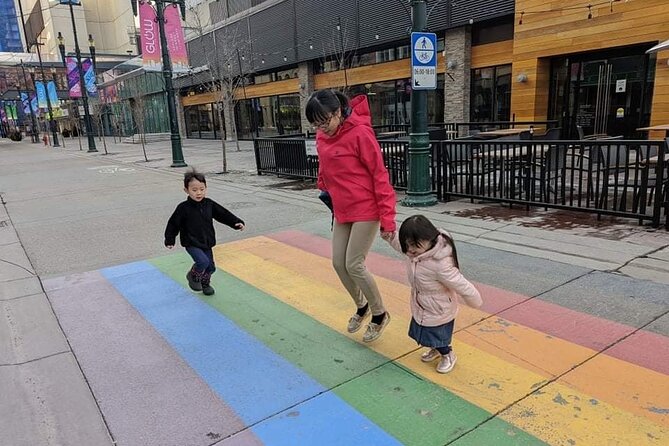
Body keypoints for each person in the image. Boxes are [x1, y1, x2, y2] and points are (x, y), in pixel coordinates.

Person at [305, 89, 397, 343]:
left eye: (325, 122)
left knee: (354, 264)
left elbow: (380, 176)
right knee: (338, 263)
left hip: (367, 207)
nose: (322, 129)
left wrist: (388, 220)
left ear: (338, 112)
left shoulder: (360, 133)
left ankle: (379, 313)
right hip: (342, 207)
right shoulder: (323, 135)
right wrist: (323, 181)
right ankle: (362, 306)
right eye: (316, 124)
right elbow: (325, 161)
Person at [383, 215, 482, 373]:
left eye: (415, 245)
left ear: (430, 239)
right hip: (422, 302)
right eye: (407, 245)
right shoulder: (414, 254)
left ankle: (447, 354)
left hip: (439, 306)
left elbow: (460, 283)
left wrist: (474, 300)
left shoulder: (441, 264)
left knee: (437, 335)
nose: (410, 250)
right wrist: (390, 236)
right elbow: (399, 245)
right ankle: (435, 349)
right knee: (424, 332)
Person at [164, 170, 245, 296]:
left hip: (206, 242)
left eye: (202, 189)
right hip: (191, 242)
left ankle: (205, 284)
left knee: (211, 267)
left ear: (206, 188)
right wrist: (170, 239)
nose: (199, 193)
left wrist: (235, 222)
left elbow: (223, 214)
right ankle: (193, 276)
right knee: (202, 262)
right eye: (194, 190)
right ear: (186, 190)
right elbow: (173, 223)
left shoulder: (209, 204)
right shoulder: (183, 208)